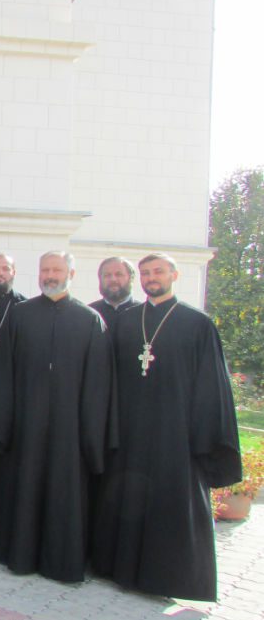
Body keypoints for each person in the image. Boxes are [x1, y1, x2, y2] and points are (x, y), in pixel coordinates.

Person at [92, 253, 241, 601]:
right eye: (146, 273)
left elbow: (212, 386)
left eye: (158, 271)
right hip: (130, 433)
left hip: (176, 436)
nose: (151, 278)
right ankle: (121, 571)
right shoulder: (126, 322)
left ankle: (167, 580)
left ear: (174, 275)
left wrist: (203, 439)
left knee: (171, 504)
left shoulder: (198, 324)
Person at [0, 251, 114, 583]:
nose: (50, 275)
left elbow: (98, 385)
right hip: (25, 428)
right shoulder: (20, 315)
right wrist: (1, 424)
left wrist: (91, 436)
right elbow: (2, 373)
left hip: (69, 432)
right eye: (45, 269)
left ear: (71, 273)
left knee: (64, 493)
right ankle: (19, 555)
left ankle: (61, 562)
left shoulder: (90, 320)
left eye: (56, 269)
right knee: (23, 488)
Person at [89, 256, 139, 329]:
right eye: (107, 275)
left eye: (119, 274)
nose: (113, 279)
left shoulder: (143, 313)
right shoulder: (89, 313)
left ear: (131, 278)